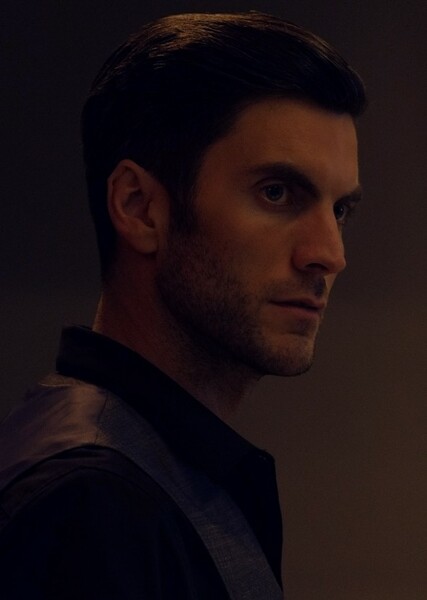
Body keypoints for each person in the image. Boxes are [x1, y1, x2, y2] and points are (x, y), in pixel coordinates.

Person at [0, 11, 365, 599]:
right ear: (140, 208)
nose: (329, 254)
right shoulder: (90, 505)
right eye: (277, 193)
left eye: (339, 210)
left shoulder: (139, 472)